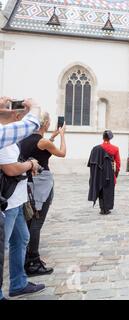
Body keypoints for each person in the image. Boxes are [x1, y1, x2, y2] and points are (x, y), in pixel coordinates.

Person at [0, 97, 43, 300]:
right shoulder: (2, 134)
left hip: (16, 200)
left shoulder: (9, 135)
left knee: (22, 238)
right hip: (6, 202)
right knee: (2, 246)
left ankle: (18, 283)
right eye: (6, 105)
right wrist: (30, 165)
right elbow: (9, 168)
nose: (10, 105)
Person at [19, 112, 66, 277]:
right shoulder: (43, 142)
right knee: (37, 223)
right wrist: (62, 135)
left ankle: (27, 257)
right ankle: (33, 260)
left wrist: (52, 136)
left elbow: (41, 148)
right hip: (42, 184)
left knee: (30, 220)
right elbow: (62, 153)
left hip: (28, 183)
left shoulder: (24, 140)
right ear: (45, 124)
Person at [88, 130, 121, 215]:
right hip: (109, 172)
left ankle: (102, 208)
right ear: (110, 138)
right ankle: (107, 208)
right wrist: (116, 173)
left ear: (103, 137)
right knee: (108, 190)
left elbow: (91, 163)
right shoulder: (115, 148)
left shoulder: (95, 148)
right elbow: (118, 163)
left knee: (101, 189)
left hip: (99, 172)